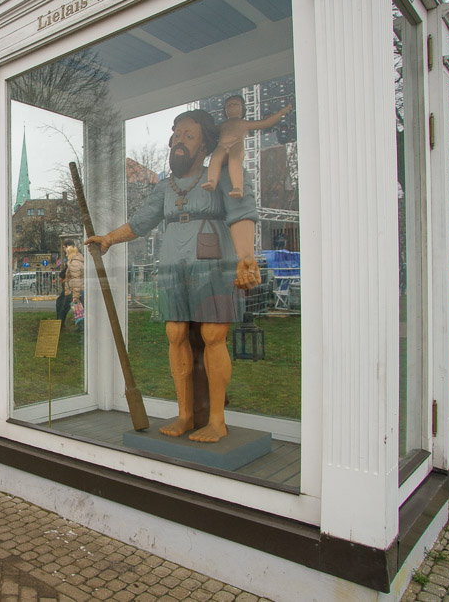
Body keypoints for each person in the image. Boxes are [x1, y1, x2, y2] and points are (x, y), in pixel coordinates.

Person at [86, 109, 260, 443]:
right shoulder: (165, 187)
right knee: (176, 333)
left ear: (205, 143)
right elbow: (141, 222)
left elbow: (242, 213)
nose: (179, 142)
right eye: (176, 135)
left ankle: (217, 421)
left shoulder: (223, 175)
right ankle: (185, 414)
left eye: (188, 136)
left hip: (213, 264)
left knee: (212, 336)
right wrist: (108, 239)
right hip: (172, 266)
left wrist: (246, 257)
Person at [203, 96, 292, 197]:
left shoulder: (244, 123)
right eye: (228, 105)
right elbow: (211, 131)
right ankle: (212, 181)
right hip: (222, 145)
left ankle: (238, 188)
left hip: (236, 144)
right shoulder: (223, 125)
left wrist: (280, 113)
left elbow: (265, 123)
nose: (232, 106)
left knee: (234, 161)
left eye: (235, 104)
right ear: (225, 110)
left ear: (242, 109)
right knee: (215, 159)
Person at [60, 240, 84, 330]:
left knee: (68, 308)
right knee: (78, 309)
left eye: (64, 248)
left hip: (73, 290)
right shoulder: (76, 260)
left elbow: (76, 280)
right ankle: (81, 327)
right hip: (73, 290)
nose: (64, 251)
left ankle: (59, 326)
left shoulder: (74, 263)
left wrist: (76, 295)